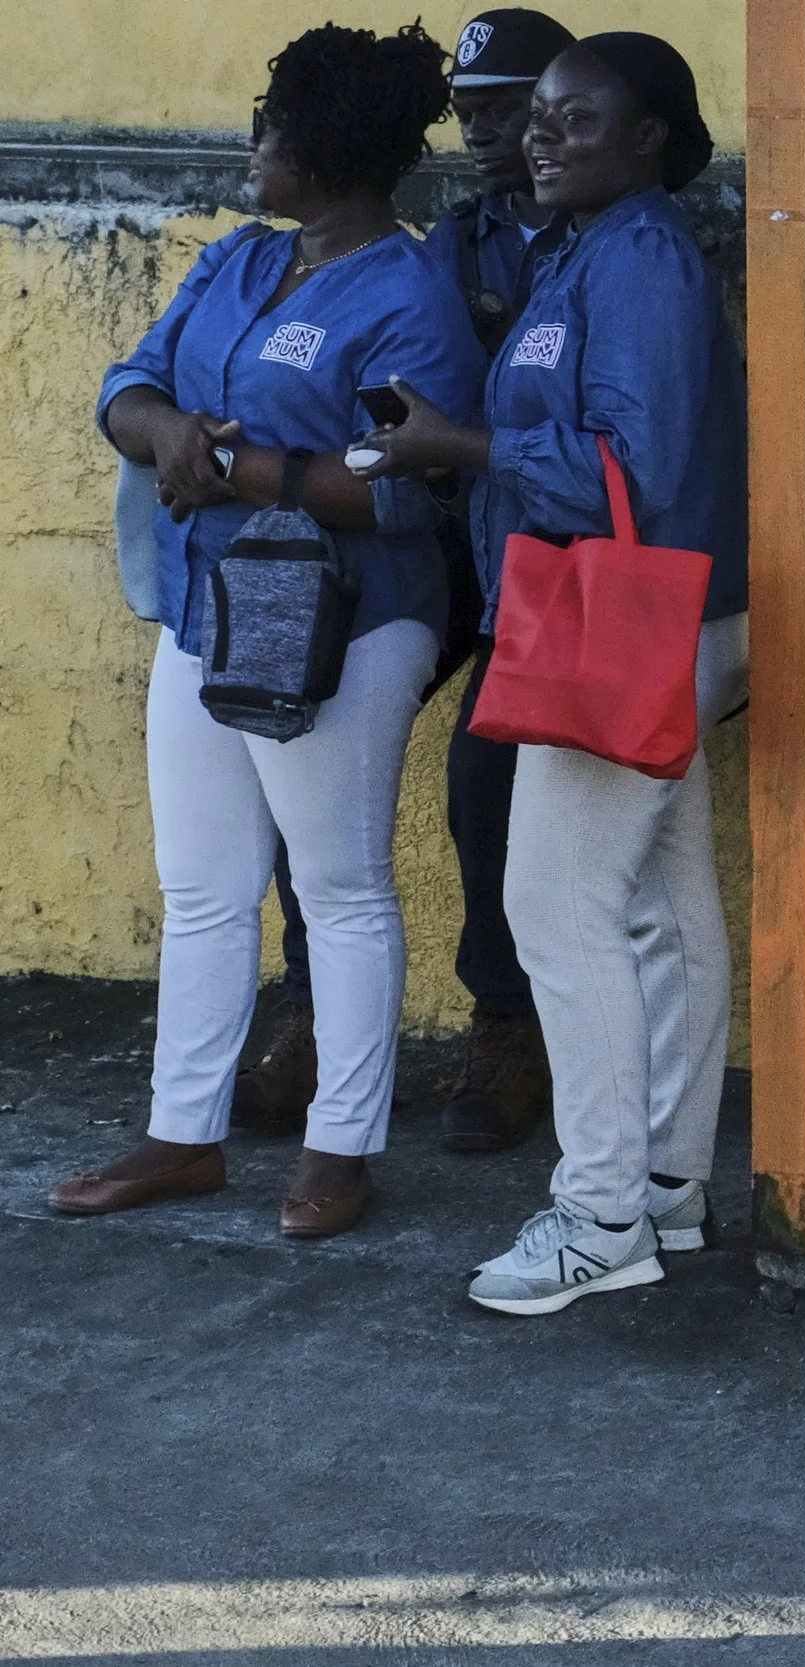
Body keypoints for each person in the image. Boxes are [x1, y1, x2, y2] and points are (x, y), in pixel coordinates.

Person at [54, 23, 482, 1238]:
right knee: (202, 886)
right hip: (206, 607)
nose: (253, 146)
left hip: (347, 625)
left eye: (272, 126)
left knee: (340, 888)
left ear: (326, 148)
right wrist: (167, 432)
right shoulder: (240, 261)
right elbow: (128, 384)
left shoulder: (408, 297)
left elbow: (408, 489)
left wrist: (244, 470)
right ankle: (180, 1135)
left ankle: (340, 1149)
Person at [357, 32, 750, 1314]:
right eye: (540, 114)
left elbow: (633, 471)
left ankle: (598, 1215)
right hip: (638, 617)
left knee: (558, 903)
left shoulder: (639, 259)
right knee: (662, 906)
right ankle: (667, 1185)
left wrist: (461, 446)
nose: (542, 134)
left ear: (651, 139)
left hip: (623, 616)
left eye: (579, 118)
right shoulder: (590, 251)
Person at [230, 6, 576, 1154]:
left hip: (555, 564)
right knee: (302, 713)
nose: (487, 134)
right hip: (446, 548)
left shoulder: (613, 238)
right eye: (469, 114)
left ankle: (508, 1022)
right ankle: (316, 1010)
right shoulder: (454, 244)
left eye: (510, 110)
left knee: (485, 769)